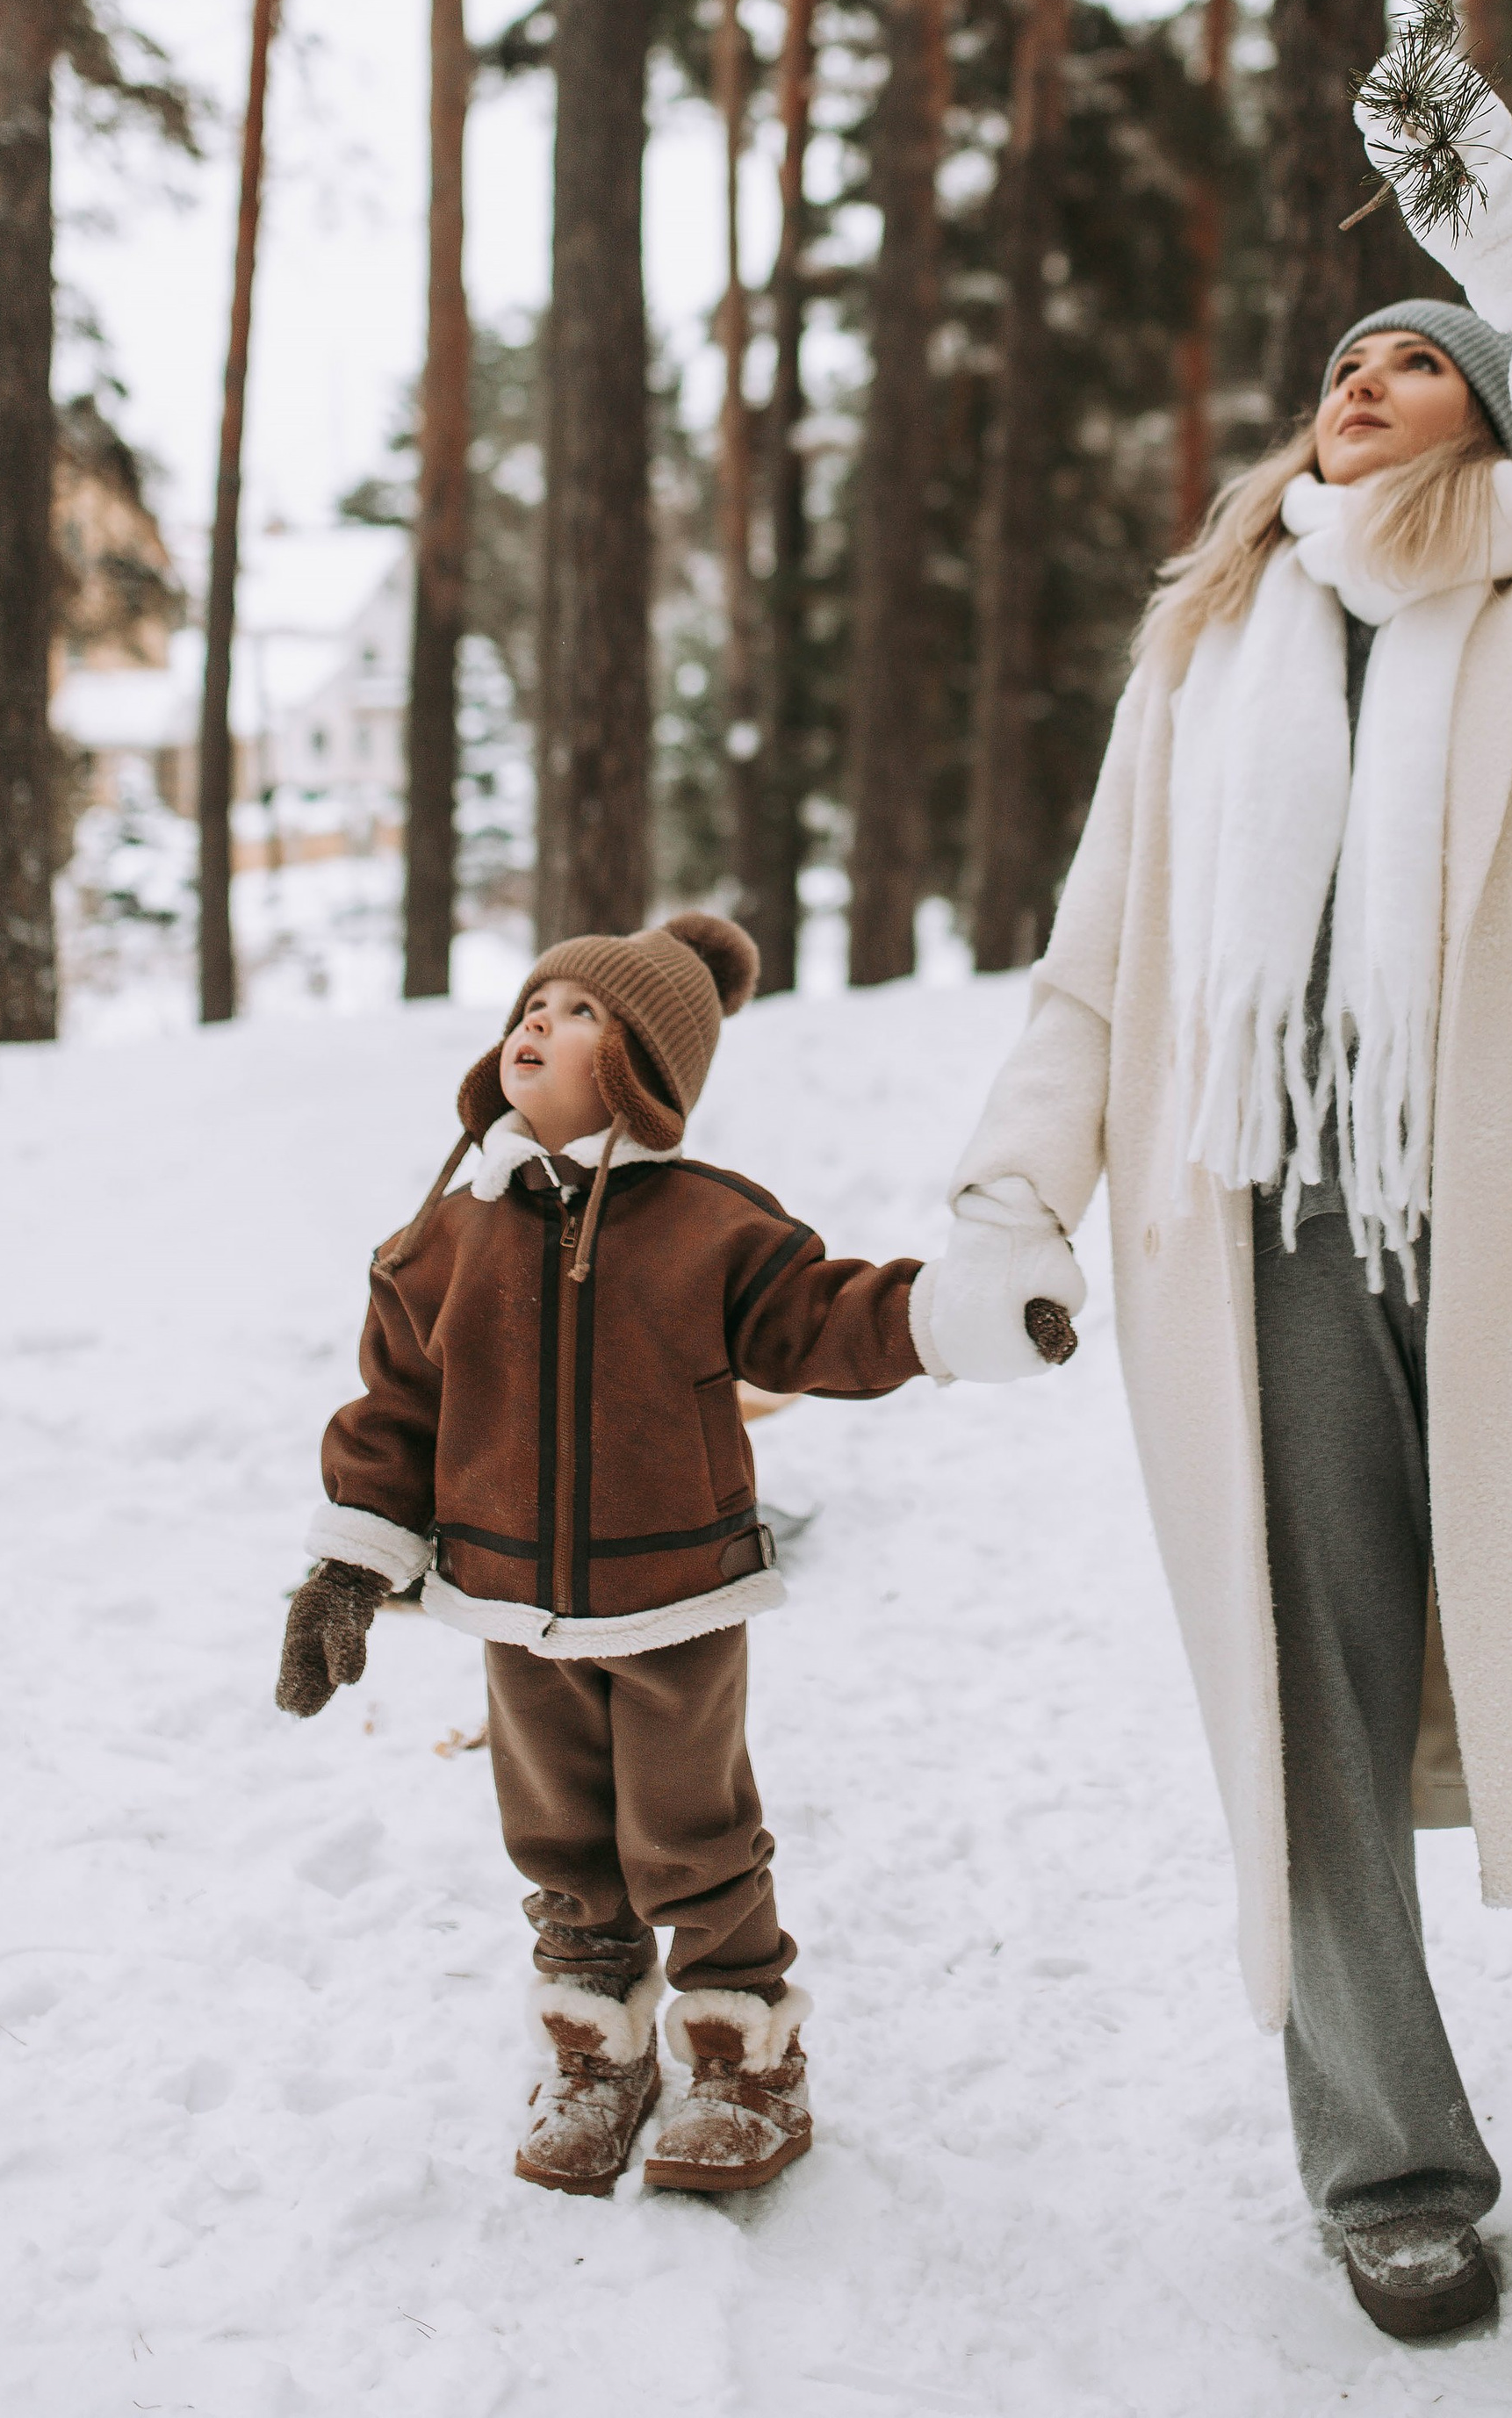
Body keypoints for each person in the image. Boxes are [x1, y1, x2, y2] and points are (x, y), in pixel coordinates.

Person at [932, 70, 1512, 2339]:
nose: (1365, 377)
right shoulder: (1205, 655)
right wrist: (1003, 1204)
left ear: (1485, 416)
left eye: (1413, 353)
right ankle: (1387, 2163)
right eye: (1347, 359)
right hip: (1261, 1229)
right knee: (1314, 1711)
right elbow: (1096, 963)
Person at [275, 910, 1076, 2199]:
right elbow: (392, 1414)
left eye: (579, 1011)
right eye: (532, 1005)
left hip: (676, 1598)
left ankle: (742, 2052)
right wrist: (349, 1564)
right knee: (560, 1846)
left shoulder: (706, 1224)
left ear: (643, 1061)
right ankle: (596, 2050)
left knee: (691, 1833)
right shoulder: (446, 1232)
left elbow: (826, 1317)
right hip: (507, 1606)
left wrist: (961, 1315)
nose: (537, 1021)